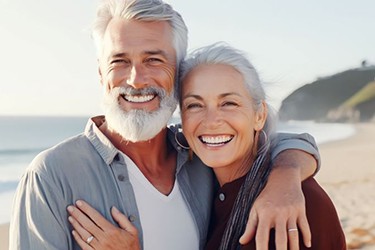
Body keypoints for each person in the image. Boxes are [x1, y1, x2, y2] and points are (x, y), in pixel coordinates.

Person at [10, 0, 320, 249]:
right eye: (119, 61)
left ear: (178, 72)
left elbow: (272, 141)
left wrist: (285, 178)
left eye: (154, 60)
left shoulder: (201, 156)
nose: (136, 79)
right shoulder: (52, 175)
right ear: (101, 74)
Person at [178, 43, 346, 249]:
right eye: (194, 105)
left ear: (259, 115)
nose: (211, 121)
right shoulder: (192, 191)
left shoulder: (295, 202)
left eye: (229, 103)